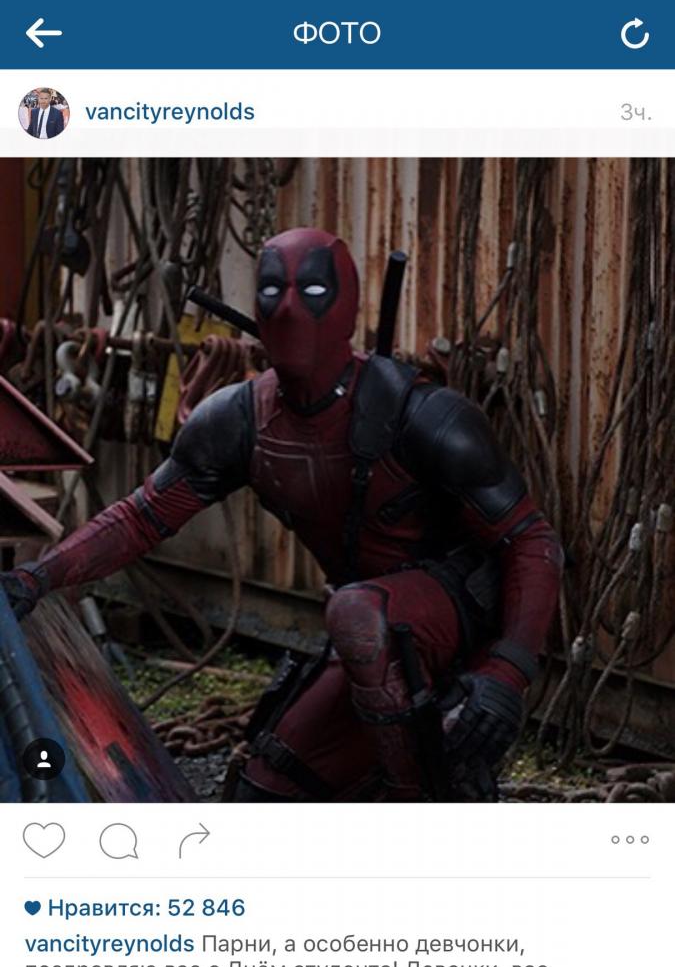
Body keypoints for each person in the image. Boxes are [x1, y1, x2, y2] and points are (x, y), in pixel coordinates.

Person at [0, 228, 563, 803]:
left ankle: (417, 799)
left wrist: (507, 670)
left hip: (457, 613)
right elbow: (141, 518)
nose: (289, 309)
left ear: (346, 310)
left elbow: (531, 542)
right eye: (272, 291)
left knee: (357, 613)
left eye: (313, 290)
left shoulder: (425, 418)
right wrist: (37, 577)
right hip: (370, 634)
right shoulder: (239, 422)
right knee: (265, 788)